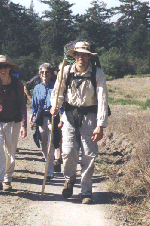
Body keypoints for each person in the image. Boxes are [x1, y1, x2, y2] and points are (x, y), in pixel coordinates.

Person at [50, 41, 109, 204]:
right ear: (74, 56)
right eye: (78, 55)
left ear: (89, 57)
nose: (81, 58)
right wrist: (55, 106)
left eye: (84, 55)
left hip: (90, 116)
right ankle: (69, 179)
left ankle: (86, 192)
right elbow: (57, 91)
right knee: (68, 152)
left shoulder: (97, 73)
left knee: (89, 154)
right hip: (69, 115)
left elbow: (103, 99)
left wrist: (100, 125)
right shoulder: (66, 71)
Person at [0, 55, 27, 192]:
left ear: (9, 68)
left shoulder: (17, 84)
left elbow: (22, 105)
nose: (3, 70)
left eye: (5, 67)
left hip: (13, 122)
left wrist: (24, 125)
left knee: (10, 152)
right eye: (0, 67)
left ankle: (7, 179)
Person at [29, 63, 56, 180]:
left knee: (51, 143)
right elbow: (34, 105)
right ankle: (48, 162)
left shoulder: (55, 87)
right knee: (44, 143)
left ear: (50, 74)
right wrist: (32, 117)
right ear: (40, 74)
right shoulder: (37, 88)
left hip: (52, 117)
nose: (44, 74)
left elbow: (60, 104)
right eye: (42, 72)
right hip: (41, 117)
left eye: (47, 72)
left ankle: (49, 171)